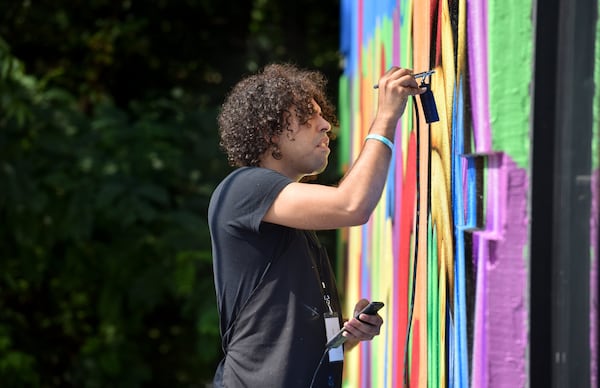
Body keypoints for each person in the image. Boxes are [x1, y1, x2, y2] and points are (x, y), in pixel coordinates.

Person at [208, 63, 424, 387]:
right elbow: (352, 205)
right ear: (271, 131)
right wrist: (386, 118)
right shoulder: (243, 188)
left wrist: (347, 337)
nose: (326, 126)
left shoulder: (293, 228)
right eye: (309, 116)